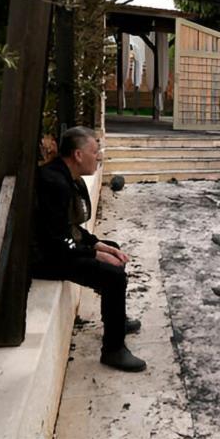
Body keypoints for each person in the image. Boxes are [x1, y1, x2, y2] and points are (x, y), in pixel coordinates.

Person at [31, 126, 146, 372]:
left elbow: (69, 229)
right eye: (95, 151)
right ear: (78, 155)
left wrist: (97, 244)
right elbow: (56, 242)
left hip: (59, 246)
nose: (99, 156)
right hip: (45, 258)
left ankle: (115, 319)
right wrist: (94, 253)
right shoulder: (54, 183)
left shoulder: (66, 177)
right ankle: (113, 350)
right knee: (112, 275)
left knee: (113, 250)